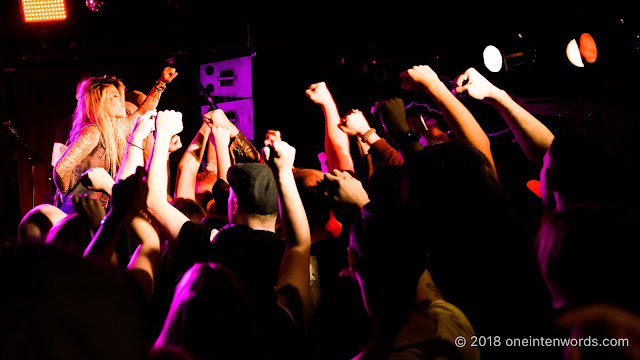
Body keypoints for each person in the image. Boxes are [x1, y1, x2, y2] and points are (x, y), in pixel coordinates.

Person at [53, 67, 178, 214]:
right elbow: (61, 169)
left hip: (93, 210)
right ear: (100, 102)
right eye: (115, 96)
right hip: (78, 211)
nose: (122, 101)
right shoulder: (91, 132)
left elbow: (142, 111)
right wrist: (68, 195)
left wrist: (161, 83)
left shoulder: (111, 131)